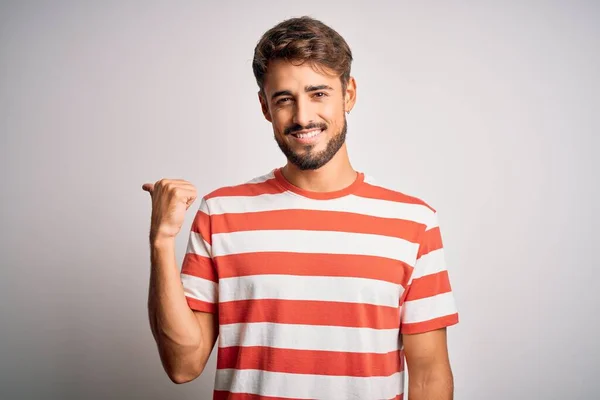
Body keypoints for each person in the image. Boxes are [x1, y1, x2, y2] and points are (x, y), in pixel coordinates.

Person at [142, 15, 459, 400]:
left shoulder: (413, 223)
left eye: (319, 93)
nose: (303, 117)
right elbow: (182, 365)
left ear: (349, 94)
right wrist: (161, 241)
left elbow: (428, 376)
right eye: (284, 99)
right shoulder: (221, 213)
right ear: (264, 107)